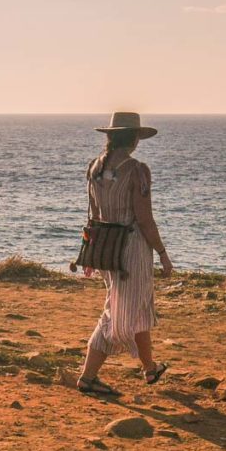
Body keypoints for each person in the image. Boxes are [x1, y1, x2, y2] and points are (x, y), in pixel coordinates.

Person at [77, 112, 173, 395]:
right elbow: (144, 218)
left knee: (136, 306)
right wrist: (163, 253)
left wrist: (92, 253)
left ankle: (150, 369)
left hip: (107, 247)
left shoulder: (94, 167)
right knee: (116, 313)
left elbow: (94, 214)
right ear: (133, 138)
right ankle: (87, 377)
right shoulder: (137, 170)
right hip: (131, 248)